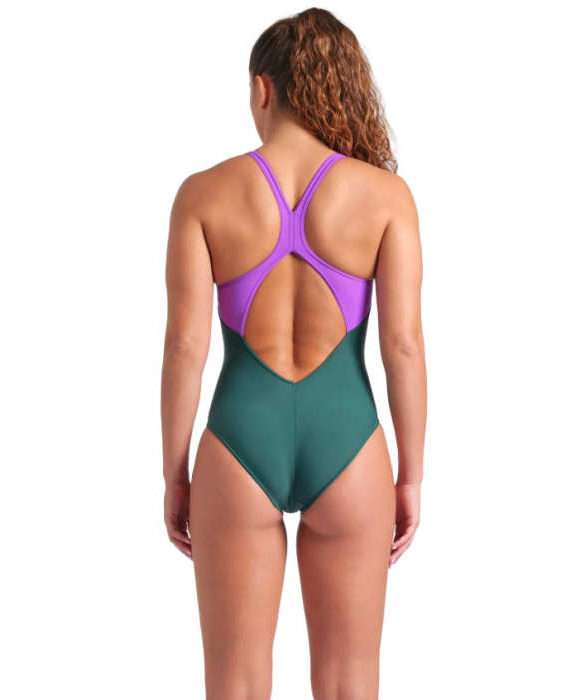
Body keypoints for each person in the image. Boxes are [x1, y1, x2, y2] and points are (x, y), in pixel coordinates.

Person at [161, 8, 426, 699]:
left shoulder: (203, 194)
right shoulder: (386, 196)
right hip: (351, 442)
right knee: (349, 682)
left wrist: (175, 475)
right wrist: (409, 476)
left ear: (263, 89)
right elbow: (402, 344)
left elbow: (186, 345)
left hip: (237, 442)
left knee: (235, 683)